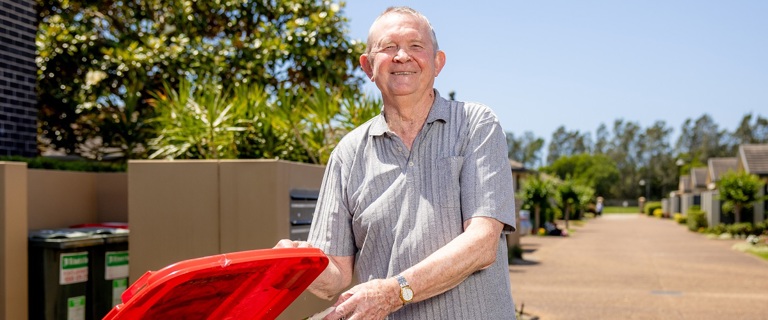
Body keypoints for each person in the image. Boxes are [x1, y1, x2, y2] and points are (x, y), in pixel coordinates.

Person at [275, 6, 516, 319]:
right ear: (368, 66)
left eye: (416, 46)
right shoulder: (347, 154)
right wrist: (301, 265)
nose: (402, 56)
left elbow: (482, 244)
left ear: (438, 62)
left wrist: (394, 292)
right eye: (388, 47)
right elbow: (335, 274)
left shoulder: (475, 124)